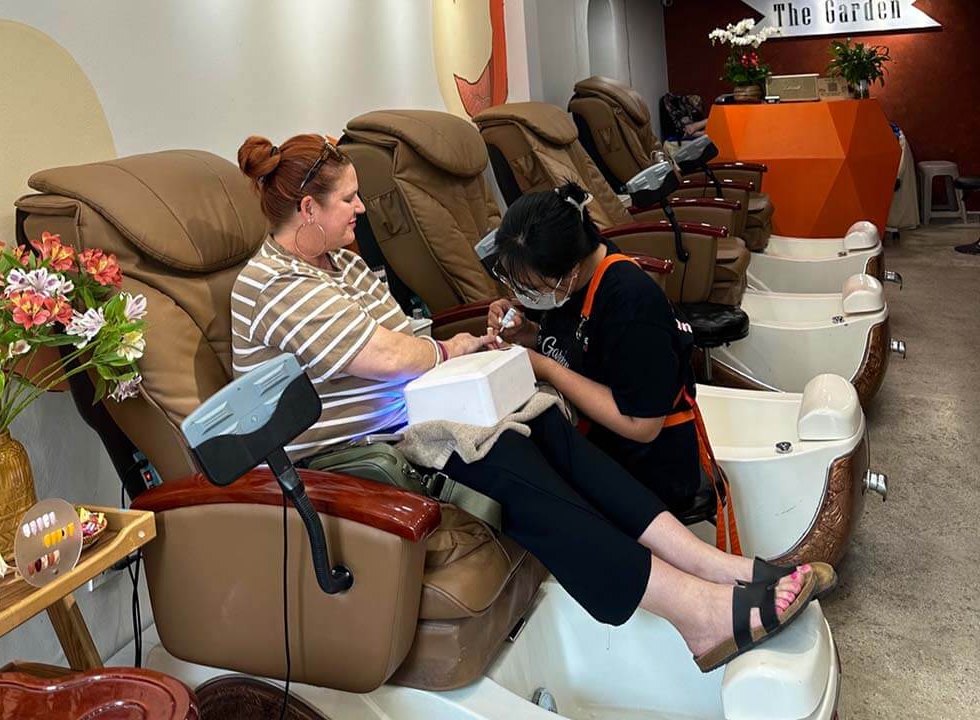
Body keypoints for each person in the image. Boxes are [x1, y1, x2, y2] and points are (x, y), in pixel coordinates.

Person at [231, 131, 819, 672]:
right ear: (308, 210)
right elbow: (381, 356)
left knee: (544, 423)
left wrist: (471, 350)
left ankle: (714, 567)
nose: (362, 209)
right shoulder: (275, 285)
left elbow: (405, 338)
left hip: (421, 415)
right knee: (511, 462)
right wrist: (451, 351)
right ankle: (698, 614)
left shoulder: (342, 262)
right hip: (352, 454)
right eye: (349, 200)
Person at [483, 182, 700, 513]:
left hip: (648, 471)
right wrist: (527, 332)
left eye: (531, 287)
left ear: (570, 273)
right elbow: (582, 347)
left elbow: (642, 426)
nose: (524, 294)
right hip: (592, 443)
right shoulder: (568, 278)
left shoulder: (631, 301)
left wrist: (544, 367)